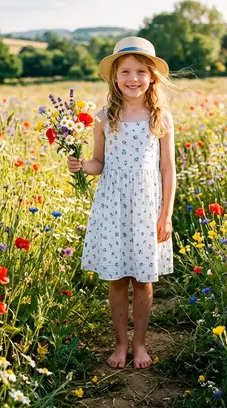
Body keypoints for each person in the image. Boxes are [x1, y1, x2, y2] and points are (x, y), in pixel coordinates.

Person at [67, 36, 176, 370]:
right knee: (117, 278)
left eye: (141, 71)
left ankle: (140, 344)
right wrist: (82, 165)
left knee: (143, 279)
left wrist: (166, 215)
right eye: (126, 71)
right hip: (113, 205)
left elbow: (168, 168)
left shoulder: (160, 116)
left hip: (147, 205)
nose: (133, 78)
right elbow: (100, 163)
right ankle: (120, 343)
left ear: (152, 77)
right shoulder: (104, 117)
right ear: (114, 77)